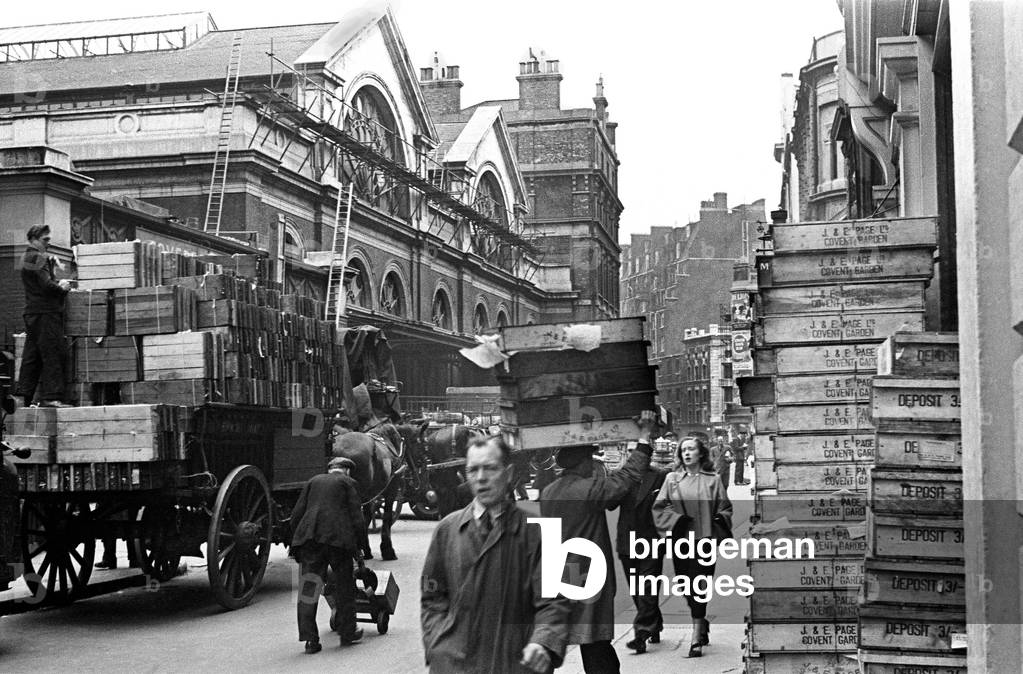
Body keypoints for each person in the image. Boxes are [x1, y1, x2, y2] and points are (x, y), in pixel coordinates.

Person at [421, 435, 569, 673]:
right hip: (456, 665)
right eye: (473, 470)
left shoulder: (539, 530)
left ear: (508, 473)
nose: (481, 478)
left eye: (490, 468)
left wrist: (542, 641)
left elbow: (554, 602)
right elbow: (432, 596)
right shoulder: (447, 530)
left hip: (515, 662)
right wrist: (437, 644)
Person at [539, 410, 661, 674]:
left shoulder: (549, 492)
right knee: (595, 643)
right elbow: (626, 478)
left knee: (559, 639)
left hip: (561, 574)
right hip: (585, 577)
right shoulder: (585, 491)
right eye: (591, 459)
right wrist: (644, 438)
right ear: (583, 463)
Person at [651, 436, 733, 658]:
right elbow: (659, 507)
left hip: (704, 541)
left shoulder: (713, 480)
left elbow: (725, 508)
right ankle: (702, 620)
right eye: (683, 450)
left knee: (699, 585)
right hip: (681, 542)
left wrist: (717, 523)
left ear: (700, 454)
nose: (687, 453)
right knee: (685, 585)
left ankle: (696, 635)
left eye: (691, 449)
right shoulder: (672, 479)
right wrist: (675, 521)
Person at [290, 456, 366, 653]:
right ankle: (347, 633)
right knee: (344, 586)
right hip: (338, 540)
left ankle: (310, 640)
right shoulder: (349, 483)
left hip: (310, 539)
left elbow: (296, 514)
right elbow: (357, 518)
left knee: (309, 587)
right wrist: (362, 547)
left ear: (330, 469)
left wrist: (297, 541)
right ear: (347, 471)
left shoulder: (313, 481)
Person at [607, 447, 669, 654]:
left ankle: (641, 634)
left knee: (648, 589)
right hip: (627, 541)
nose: (632, 456)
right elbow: (610, 504)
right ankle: (655, 624)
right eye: (629, 452)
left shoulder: (659, 476)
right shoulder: (621, 478)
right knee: (637, 590)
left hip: (652, 540)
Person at [16, 224, 72, 408]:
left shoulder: (27, 256)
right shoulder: (38, 258)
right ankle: (52, 397)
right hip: (46, 313)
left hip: (32, 312)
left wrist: (49, 262)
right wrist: (62, 287)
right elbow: (47, 286)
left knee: (32, 356)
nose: (48, 243)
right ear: (33, 239)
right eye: (45, 240)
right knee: (52, 353)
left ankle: (22, 396)